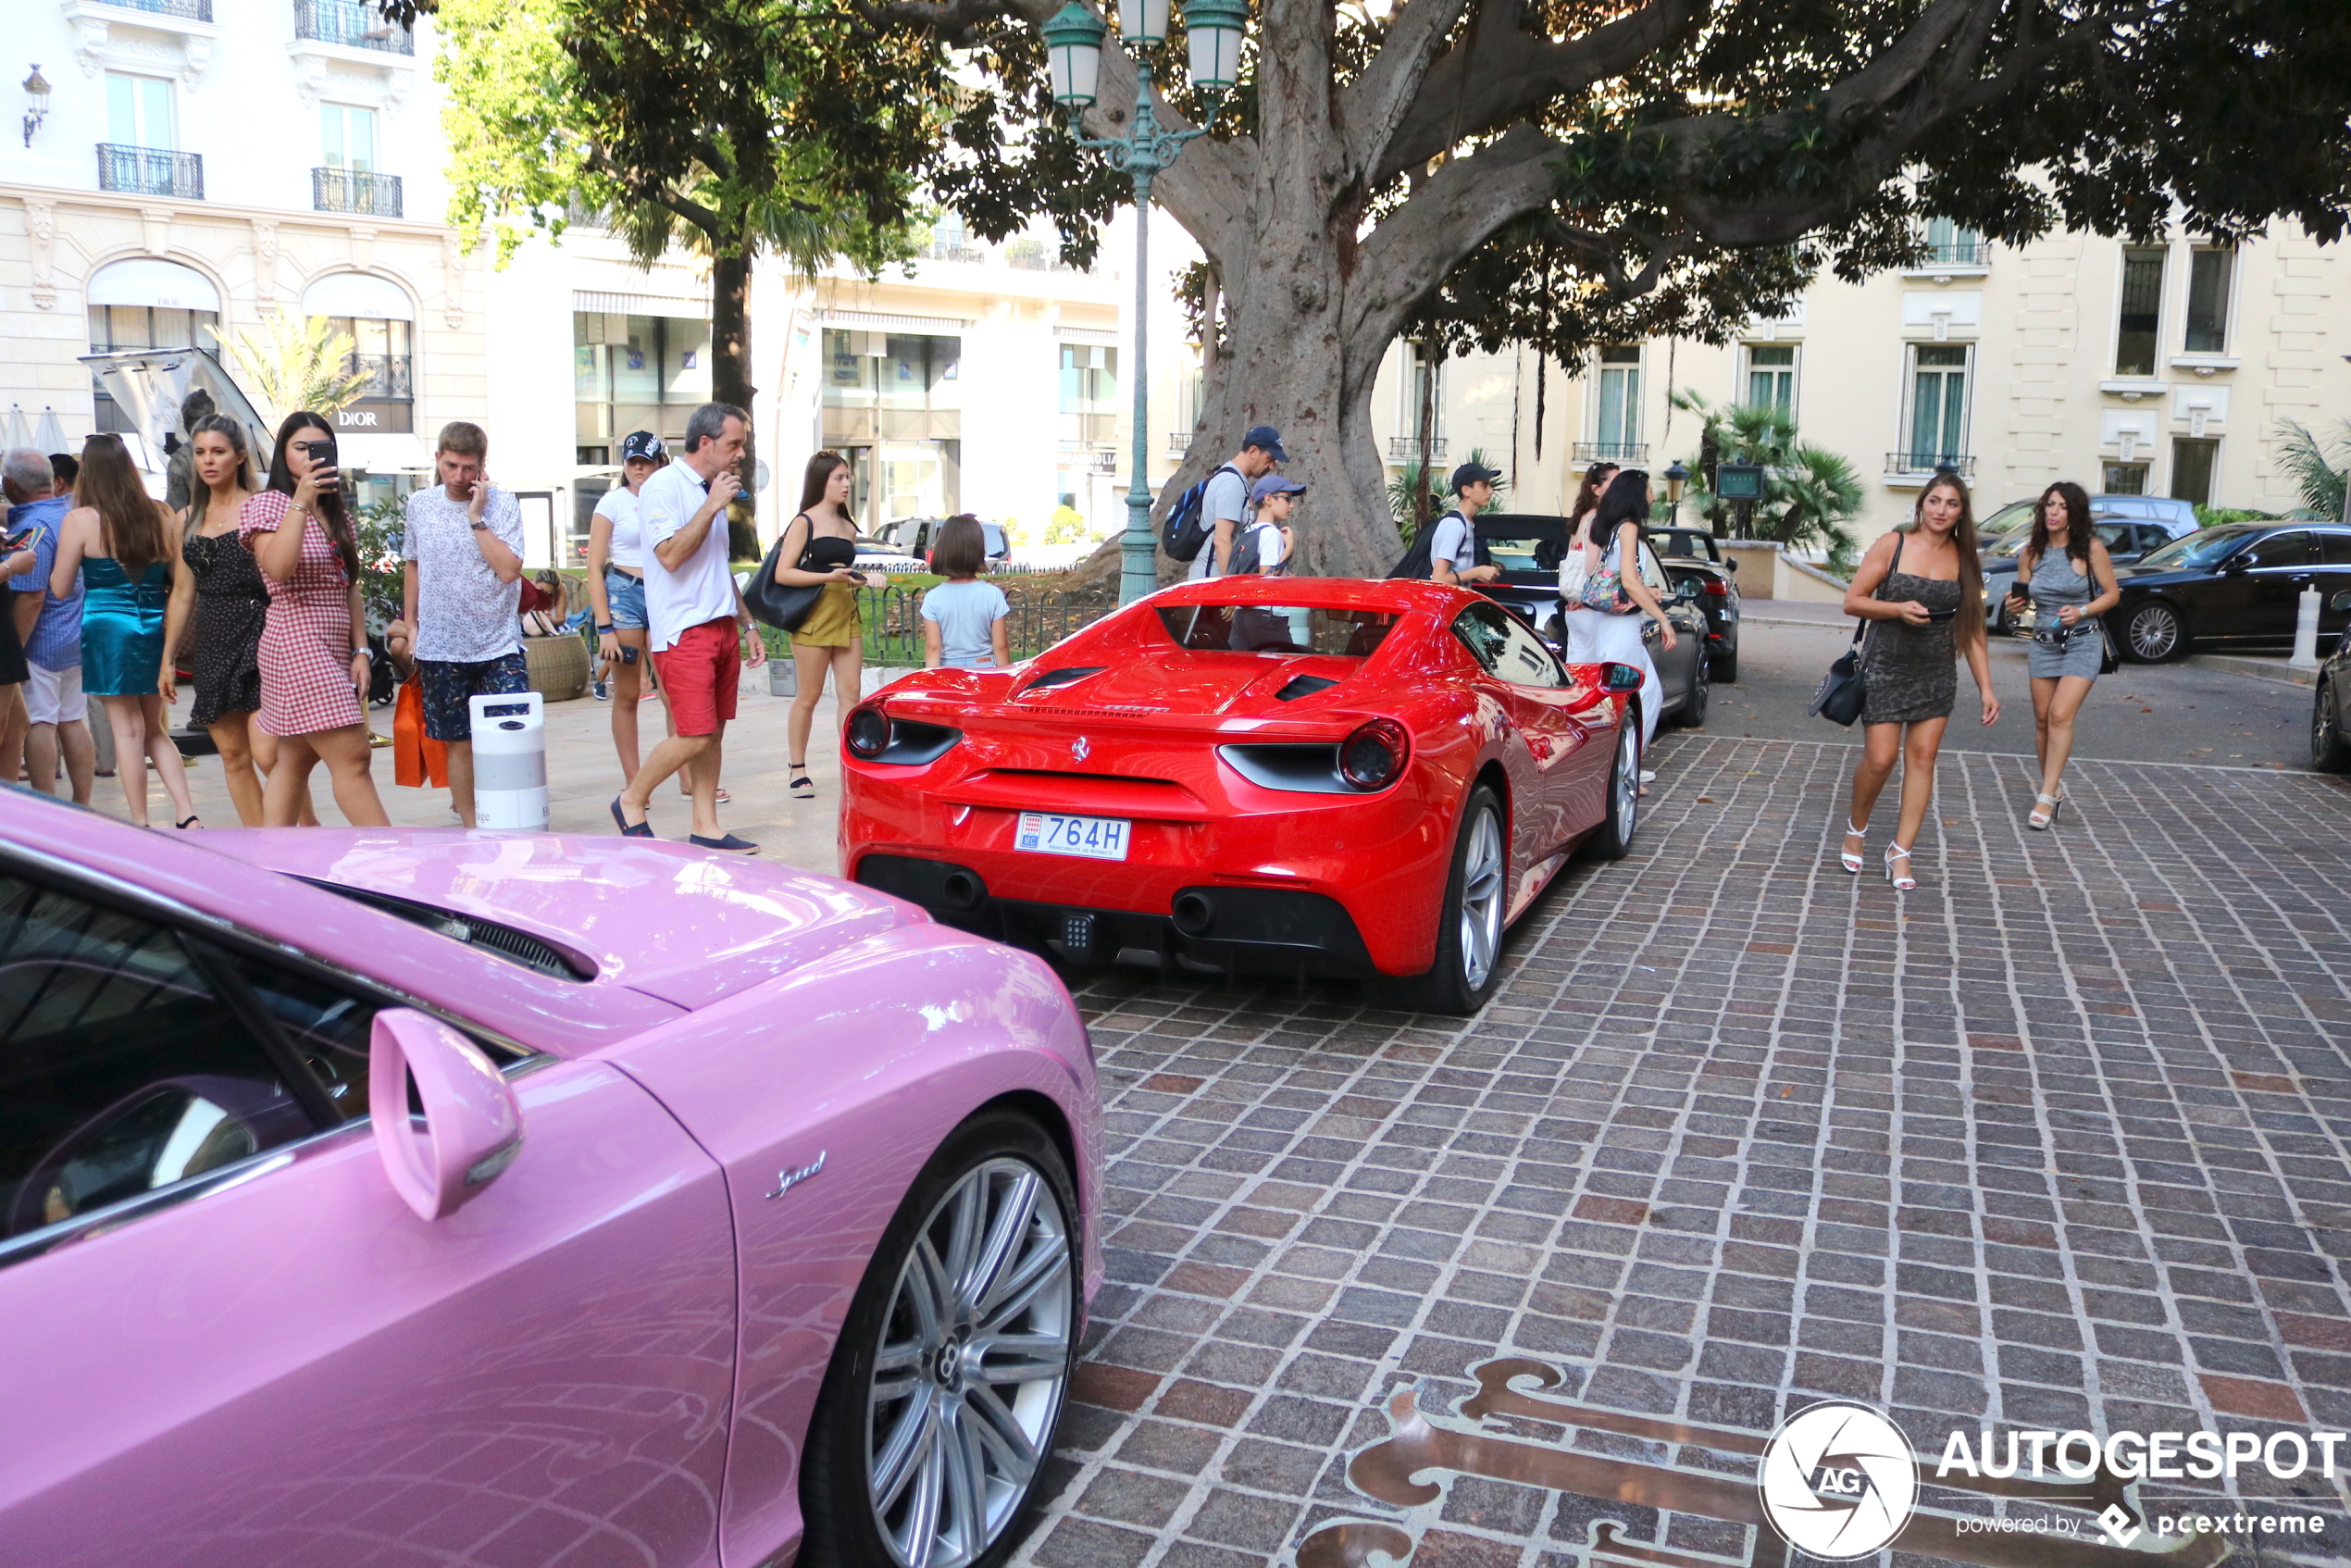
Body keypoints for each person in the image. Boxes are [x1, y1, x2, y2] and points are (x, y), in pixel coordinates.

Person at [614, 401, 765, 850]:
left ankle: (705, 824)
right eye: (733, 444)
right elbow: (670, 556)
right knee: (694, 733)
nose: (740, 454)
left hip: (720, 624)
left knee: (714, 729)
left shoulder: (707, 488)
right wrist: (712, 505)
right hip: (683, 630)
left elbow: (715, 565)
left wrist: (748, 622)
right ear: (706, 443)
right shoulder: (664, 486)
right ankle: (631, 798)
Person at [1837, 473, 1999, 890]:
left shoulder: (1965, 559)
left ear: (1962, 511)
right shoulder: (1892, 545)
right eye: (1934, 501)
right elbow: (1853, 601)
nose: (1941, 511)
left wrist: (1986, 688)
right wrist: (1896, 609)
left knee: (1923, 758)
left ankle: (1901, 851)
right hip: (1887, 666)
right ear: (1921, 505)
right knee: (1880, 759)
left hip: (1936, 671)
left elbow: (1974, 629)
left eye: (1951, 504)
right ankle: (1857, 827)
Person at [241, 410, 391, 828]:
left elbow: (350, 587)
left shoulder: (337, 512)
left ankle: (276, 860)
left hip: (331, 644)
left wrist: (360, 650)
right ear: (282, 454)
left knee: (294, 757)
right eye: (300, 448)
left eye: (318, 449)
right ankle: (389, 859)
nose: (309, 457)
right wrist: (301, 502)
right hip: (295, 642)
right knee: (354, 757)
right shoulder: (268, 504)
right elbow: (278, 567)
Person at [163, 414, 307, 828]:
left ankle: (299, 834)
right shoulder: (186, 517)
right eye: (201, 453)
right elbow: (183, 593)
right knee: (232, 755)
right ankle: (263, 847)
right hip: (212, 638)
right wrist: (167, 657)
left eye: (218, 452)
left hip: (262, 631)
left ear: (239, 456)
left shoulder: (262, 507)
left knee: (270, 754)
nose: (208, 461)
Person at [49, 434, 201, 829]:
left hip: (105, 629)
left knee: (126, 730)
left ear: (89, 473)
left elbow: (61, 587)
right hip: (152, 623)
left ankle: (140, 822)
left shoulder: (81, 519)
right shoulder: (162, 514)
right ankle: (187, 812)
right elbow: (177, 578)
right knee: (154, 729)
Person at [401, 421, 527, 829]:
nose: (458, 477)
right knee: (457, 741)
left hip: (498, 643)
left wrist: (476, 517)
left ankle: (510, 812)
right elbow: (413, 564)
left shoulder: (503, 504)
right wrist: (410, 622)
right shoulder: (420, 504)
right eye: (451, 466)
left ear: (482, 466)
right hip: (441, 644)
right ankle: (472, 825)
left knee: (511, 735)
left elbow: (509, 571)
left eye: (468, 468)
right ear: (437, 459)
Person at [2006, 480, 2118, 829]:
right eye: (2049, 505)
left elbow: (2112, 594)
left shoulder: (2090, 550)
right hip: (2043, 641)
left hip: (2083, 640)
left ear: (2074, 513)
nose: (2053, 512)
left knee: (2060, 713)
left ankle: (2045, 795)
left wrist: (2083, 611)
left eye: (2062, 506)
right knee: (2042, 720)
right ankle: (2053, 789)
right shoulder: (2030, 552)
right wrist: (2014, 606)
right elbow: (2022, 601)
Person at [1567, 470, 1678, 761]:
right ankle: (1620, 772)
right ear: (1636, 496)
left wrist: (1642, 590)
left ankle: (1627, 767)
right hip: (1622, 629)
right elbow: (1628, 581)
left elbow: (1601, 574)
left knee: (1644, 694)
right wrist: (1663, 619)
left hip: (1607, 623)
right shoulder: (1627, 528)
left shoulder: (1605, 527)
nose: (1653, 496)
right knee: (1631, 701)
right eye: (1650, 490)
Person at [6, 448, 95, 804]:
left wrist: (15, 650)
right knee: (73, 720)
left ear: (10, 483)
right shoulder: (69, 513)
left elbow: (32, 597)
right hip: (76, 635)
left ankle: (47, 802)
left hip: (41, 641)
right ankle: (83, 802)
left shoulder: (35, 528)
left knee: (40, 722)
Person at [777, 450, 866, 802]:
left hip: (846, 612)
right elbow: (783, 572)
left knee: (851, 695)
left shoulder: (848, 525)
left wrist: (853, 579)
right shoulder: (805, 522)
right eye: (839, 478)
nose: (847, 484)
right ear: (822, 482)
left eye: (847, 477)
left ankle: (851, 766)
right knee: (809, 696)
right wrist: (828, 576)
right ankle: (797, 769)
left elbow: (843, 572)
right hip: (814, 615)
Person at [588, 431, 665, 777]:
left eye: (645, 460)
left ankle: (688, 780)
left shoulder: (667, 496)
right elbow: (593, 565)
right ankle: (634, 782)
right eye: (632, 460)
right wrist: (604, 627)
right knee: (628, 693)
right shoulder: (613, 502)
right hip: (624, 594)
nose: (638, 467)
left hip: (664, 592)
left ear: (659, 462)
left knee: (674, 691)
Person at [1190, 426, 1287, 579]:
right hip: (1212, 584)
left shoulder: (1238, 481)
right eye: (1270, 459)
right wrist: (1231, 592)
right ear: (1253, 451)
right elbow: (1222, 540)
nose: (1273, 466)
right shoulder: (1231, 483)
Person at [920, 515, 1012, 670]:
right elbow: (1001, 646)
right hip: (985, 665)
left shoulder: (933, 598)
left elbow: (934, 647)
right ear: (978, 550)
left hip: (948, 668)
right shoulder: (993, 595)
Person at [1424, 461, 1504, 587]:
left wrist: (1478, 574)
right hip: (1447, 604)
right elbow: (1438, 578)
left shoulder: (1466, 523)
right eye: (1484, 485)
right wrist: (1477, 572)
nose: (1491, 491)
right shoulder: (1455, 526)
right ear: (1466, 490)